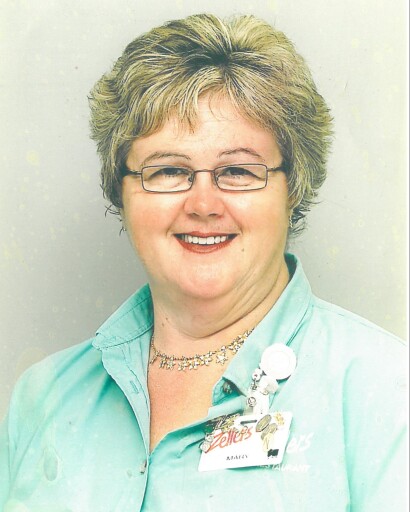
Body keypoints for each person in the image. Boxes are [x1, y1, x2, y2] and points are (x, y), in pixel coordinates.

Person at [0, 13, 406, 512]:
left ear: (292, 190)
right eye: (168, 171)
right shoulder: (44, 398)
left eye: (238, 170)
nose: (203, 204)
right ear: (121, 192)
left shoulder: (386, 392)